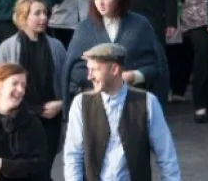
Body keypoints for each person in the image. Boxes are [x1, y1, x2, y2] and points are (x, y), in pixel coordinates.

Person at [63, 42, 182, 181]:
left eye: (95, 70)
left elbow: (166, 156)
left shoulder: (147, 102)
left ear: (114, 69)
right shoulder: (80, 103)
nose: (89, 77)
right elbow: (73, 155)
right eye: (88, 70)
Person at [63, 0, 171, 107]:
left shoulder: (140, 25)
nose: (100, 3)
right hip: (95, 104)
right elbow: (74, 69)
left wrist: (134, 76)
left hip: (133, 103)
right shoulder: (84, 29)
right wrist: (101, 77)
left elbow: (155, 66)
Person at [0, 0, 67, 154]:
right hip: (19, 119)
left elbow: (67, 82)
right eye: (37, 13)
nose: (43, 18)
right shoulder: (7, 47)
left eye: (45, 13)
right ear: (23, 17)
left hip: (50, 118)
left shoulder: (57, 47)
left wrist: (61, 104)